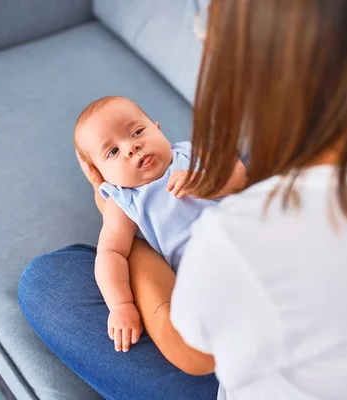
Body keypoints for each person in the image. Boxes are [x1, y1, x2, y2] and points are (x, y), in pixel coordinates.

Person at [19, 1, 347, 399]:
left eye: (211, 35)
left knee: (47, 281)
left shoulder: (244, 237)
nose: (205, 46)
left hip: (228, 336)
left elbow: (190, 354)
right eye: (114, 152)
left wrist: (123, 225)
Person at [73, 95, 245, 354]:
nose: (132, 147)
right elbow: (111, 253)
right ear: (102, 175)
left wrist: (207, 182)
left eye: (137, 131)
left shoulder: (189, 154)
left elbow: (239, 176)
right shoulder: (125, 201)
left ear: (157, 128)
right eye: (113, 151)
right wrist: (121, 305)